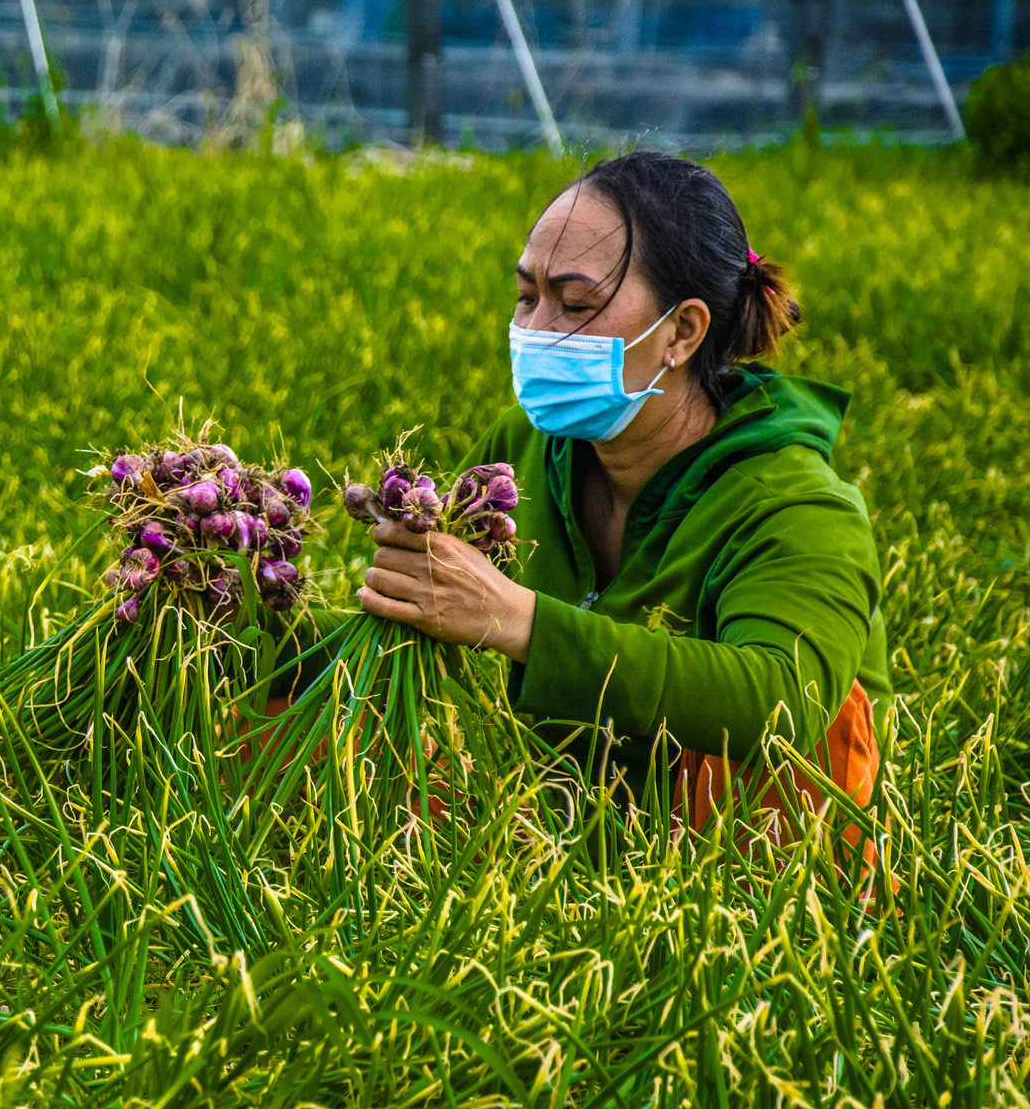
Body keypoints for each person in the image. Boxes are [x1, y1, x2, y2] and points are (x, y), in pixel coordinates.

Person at [357, 150, 888, 829]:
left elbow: (784, 702)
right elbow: (413, 638)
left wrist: (521, 621)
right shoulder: (518, 451)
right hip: (559, 821)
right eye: (527, 296)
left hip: (755, 877)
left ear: (681, 331)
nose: (535, 331)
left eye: (575, 303)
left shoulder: (795, 503)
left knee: (803, 728)